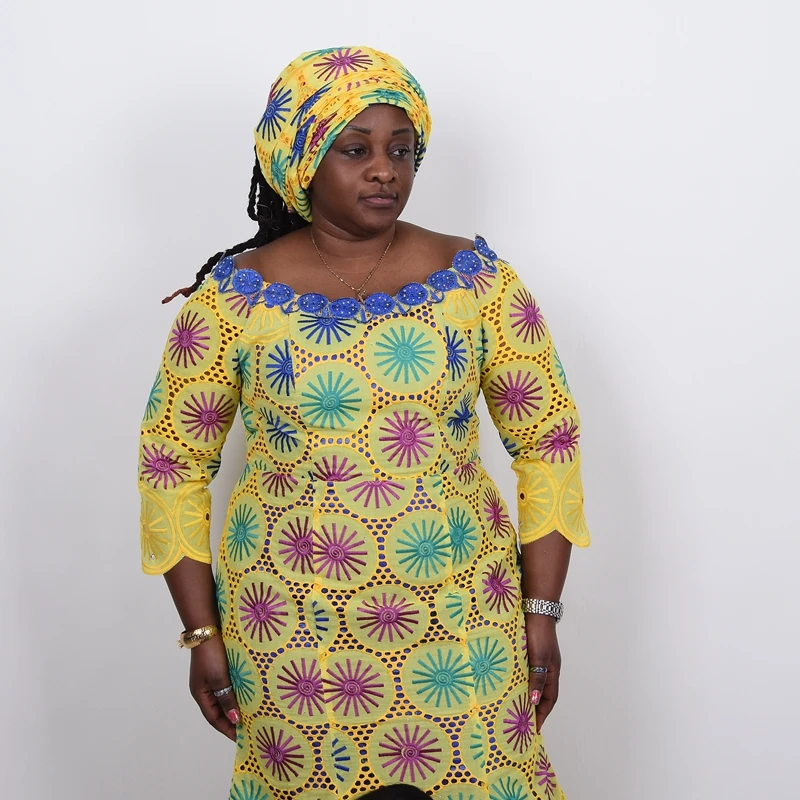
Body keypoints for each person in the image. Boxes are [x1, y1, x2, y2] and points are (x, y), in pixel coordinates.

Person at [138, 46, 590, 800]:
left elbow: (549, 441)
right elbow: (172, 465)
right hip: (293, 631)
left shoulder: (475, 281)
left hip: (463, 621)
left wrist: (540, 613)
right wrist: (201, 632)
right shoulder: (233, 297)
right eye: (356, 151)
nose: (385, 170)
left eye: (402, 151)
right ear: (301, 161)